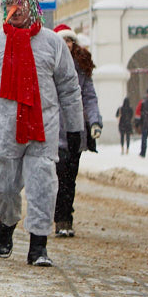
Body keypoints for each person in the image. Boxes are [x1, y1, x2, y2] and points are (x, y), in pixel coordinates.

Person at [0, 0, 82, 268]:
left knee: (43, 185)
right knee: (4, 187)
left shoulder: (53, 44)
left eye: (21, 4)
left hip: (43, 128)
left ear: (33, 7)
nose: (15, 11)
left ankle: (38, 245)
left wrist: (76, 127)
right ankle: (7, 223)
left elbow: (69, 87)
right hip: (4, 129)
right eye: (10, 4)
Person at [52, 25, 102, 238]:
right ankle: (58, 218)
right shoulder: (49, 66)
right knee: (56, 178)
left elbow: (89, 97)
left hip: (76, 132)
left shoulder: (81, 68)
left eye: (70, 41)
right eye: (63, 41)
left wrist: (94, 122)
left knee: (69, 178)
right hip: (54, 131)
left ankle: (66, 218)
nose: (67, 45)